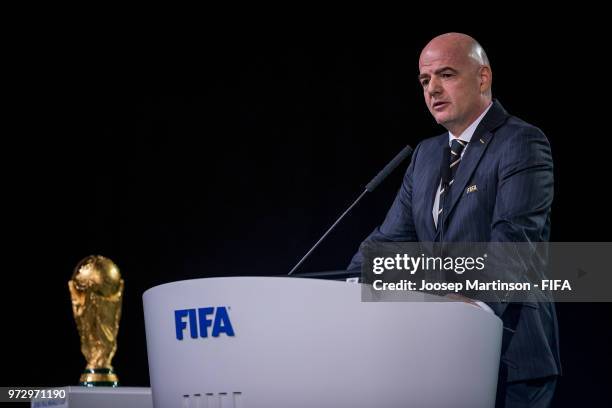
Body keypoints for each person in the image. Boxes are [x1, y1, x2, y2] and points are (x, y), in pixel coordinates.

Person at [347, 33, 561, 407]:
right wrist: (349, 288)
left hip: (509, 351)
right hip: (435, 355)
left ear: (483, 78)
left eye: (446, 74)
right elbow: (390, 240)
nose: (433, 89)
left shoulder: (521, 142)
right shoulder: (426, 156)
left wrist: (471, 311)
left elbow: (513, 236)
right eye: (425, 80)